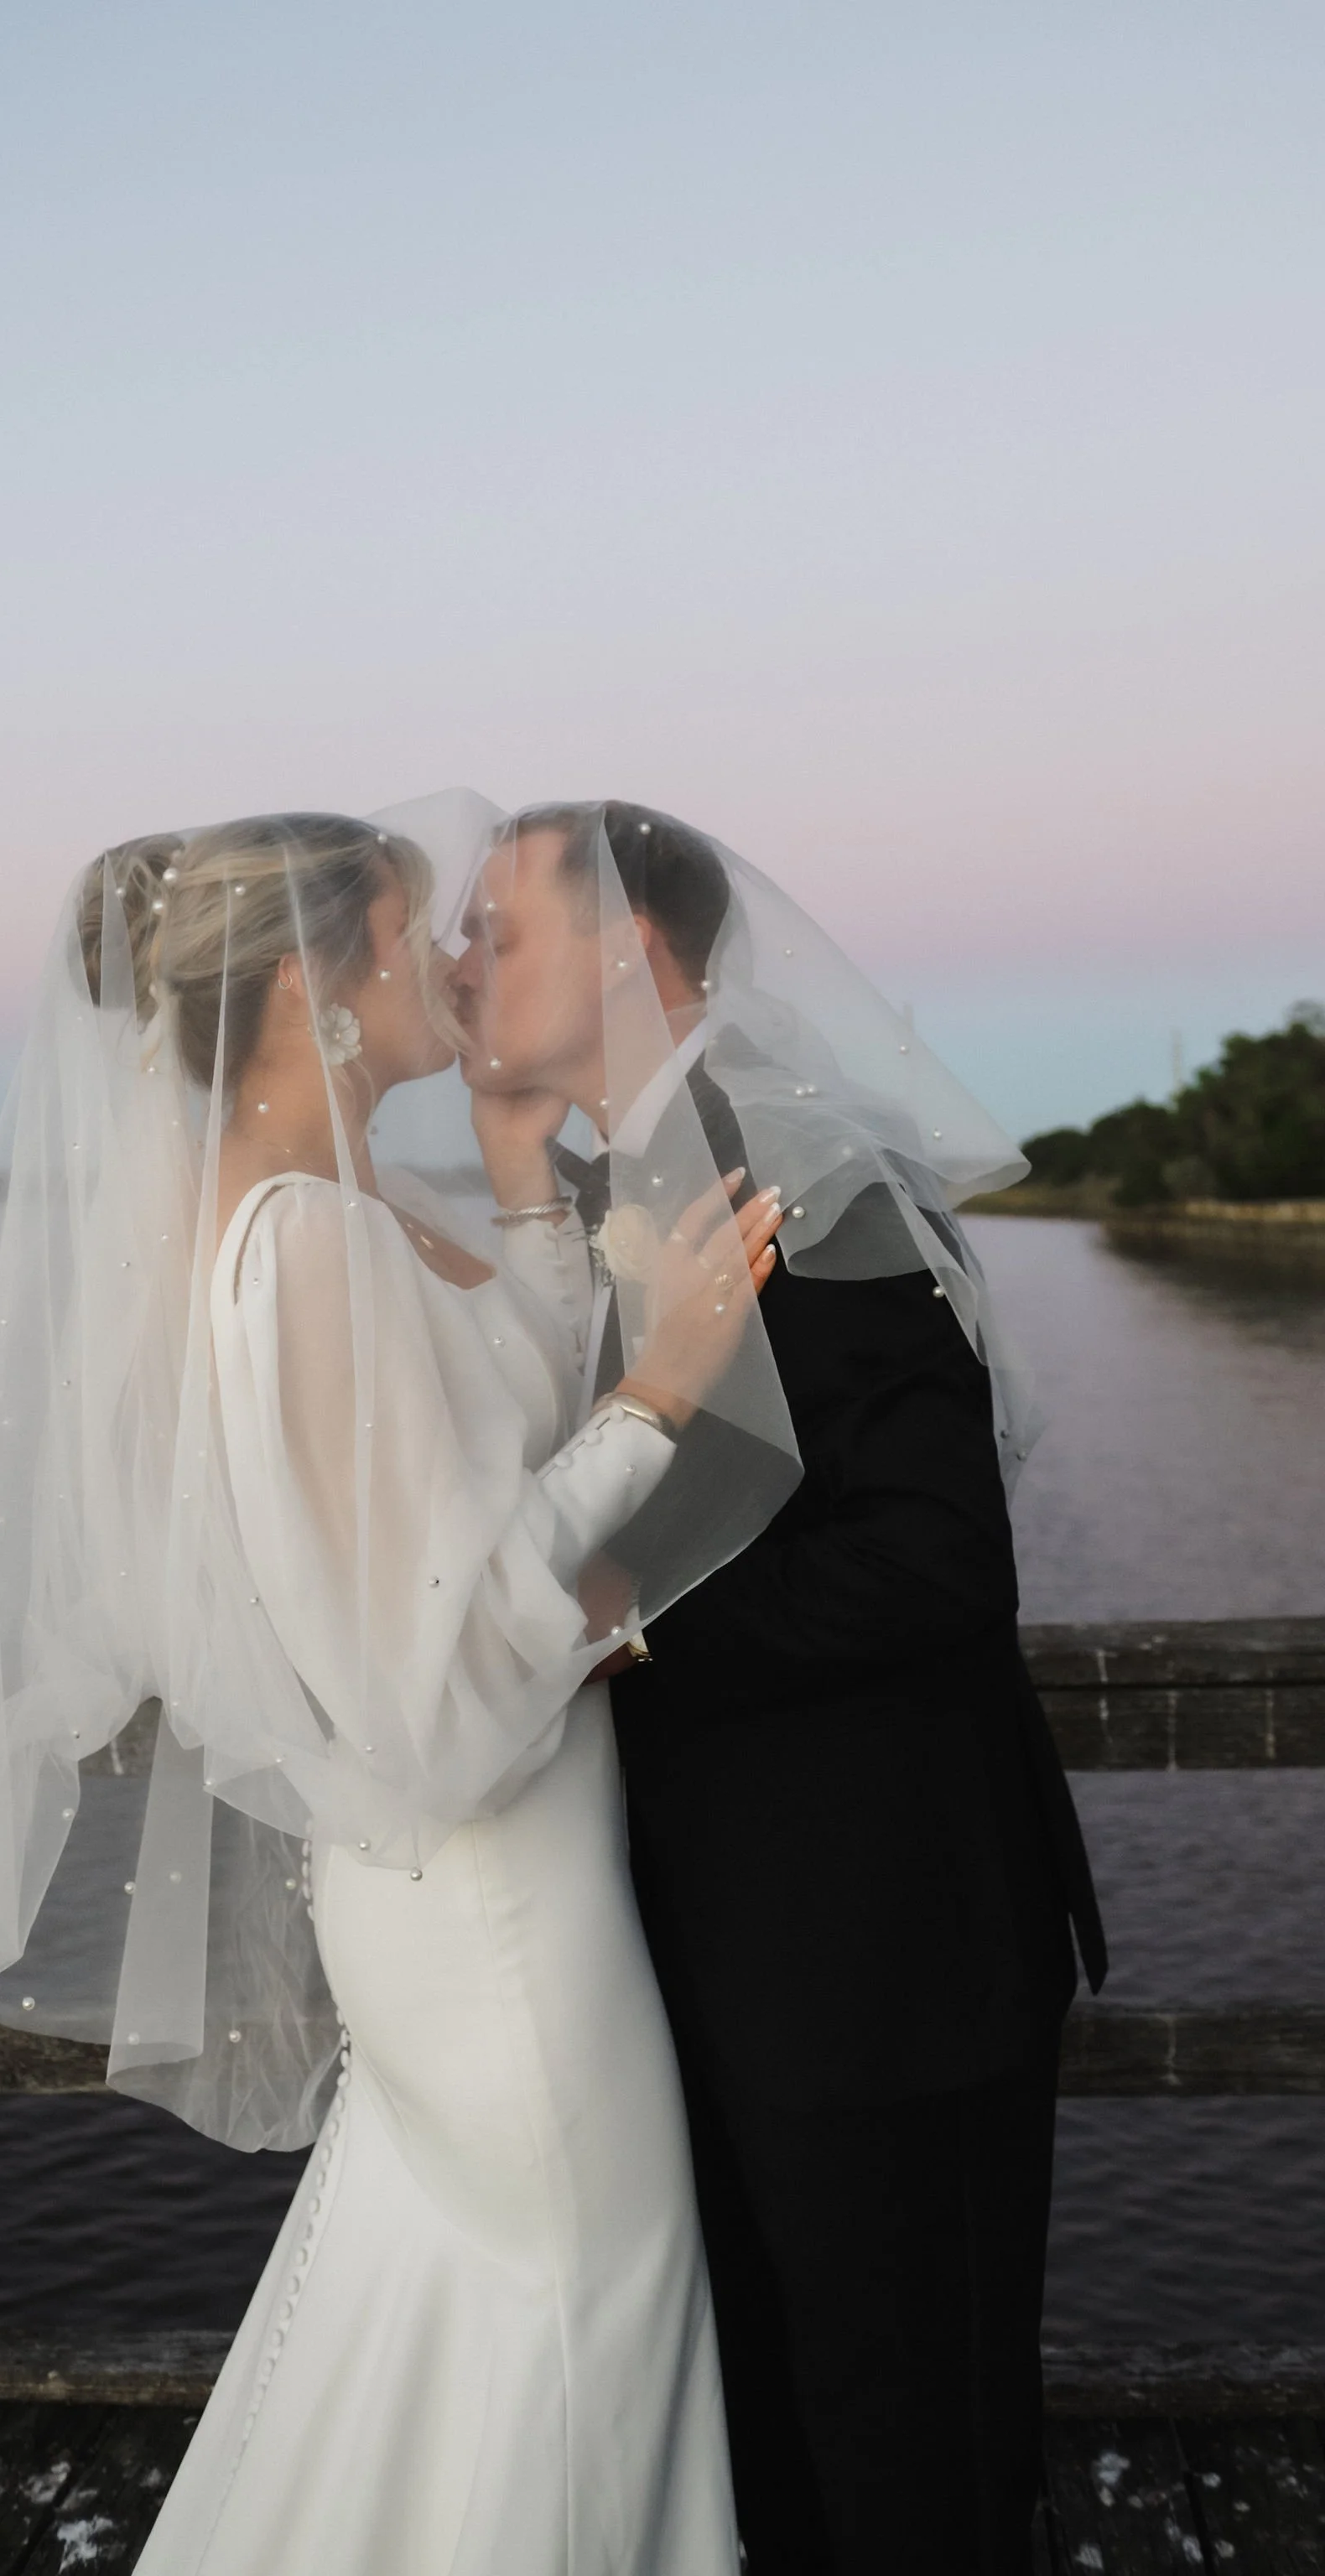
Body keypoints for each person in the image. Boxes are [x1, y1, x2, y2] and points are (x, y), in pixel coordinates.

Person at [0, 805, 790, 2575]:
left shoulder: (321, 1209)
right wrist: (668, 1389)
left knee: (459, 2314)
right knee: (586, 2327)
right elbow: (436, 1675)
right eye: (416, 935)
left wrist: (520, 1169)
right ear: (328, 980)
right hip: (493, 1904)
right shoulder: (301, 1241)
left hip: (464, 1894)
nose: (452, 964)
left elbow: (470, 1439)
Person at [455, 800, 1107, 2576]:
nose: (459, 962)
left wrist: (627, 1625)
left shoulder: (791, 1172)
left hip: (877, 1936)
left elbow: (936, 1557)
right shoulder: (624, 1177)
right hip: (741, 1931)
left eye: (497, 926)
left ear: (625, 950)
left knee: (901, 2441)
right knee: (789, 2437)